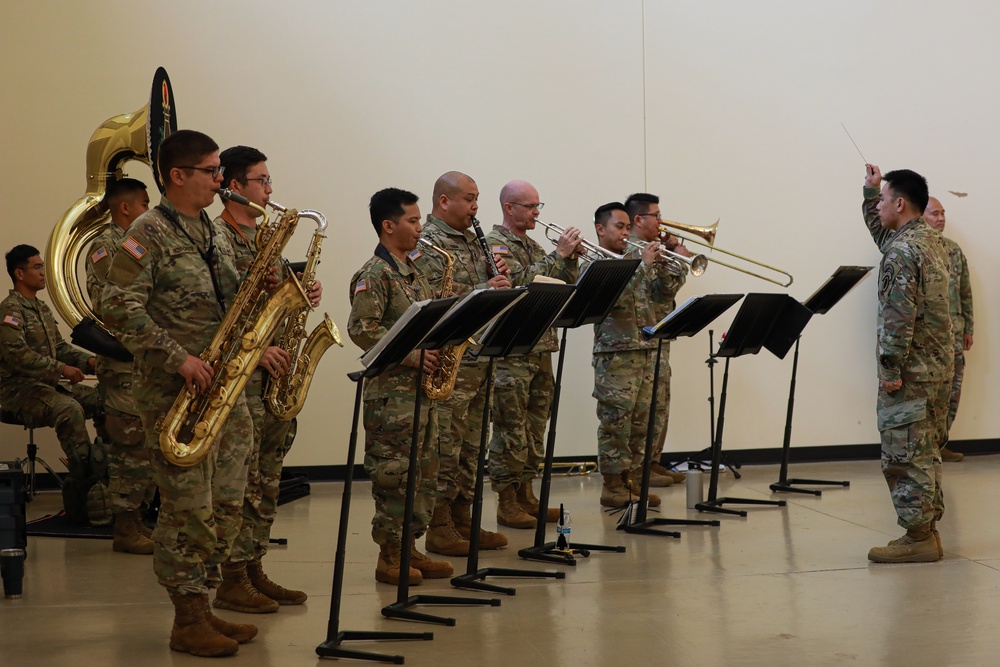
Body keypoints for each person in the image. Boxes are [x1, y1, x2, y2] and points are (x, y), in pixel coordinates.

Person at [102, 129, 258, 657]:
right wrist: (178, 357)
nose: (222, 179)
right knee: (188, 509)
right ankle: (187, 618)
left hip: (223, 389)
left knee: (227, 502)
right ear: (178, 176)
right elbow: (118, 304)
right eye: (213, 171)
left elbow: (229, 299)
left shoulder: (209, 232)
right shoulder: (148, 232)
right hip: (176, 392)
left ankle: (208, 606)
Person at [211, 145, 308, 612]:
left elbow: (267, 300)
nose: (270, 190)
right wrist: (259, 347)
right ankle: (230, 577)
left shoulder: (264, 237)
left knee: (266, 479)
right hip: (239, 374)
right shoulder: (217, 239)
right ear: (233, 186)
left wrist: (296, 290)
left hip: (269, 374)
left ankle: (252, 567)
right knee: (239, 480)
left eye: (269, 180)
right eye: (261, 181)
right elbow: (220, 315)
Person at [347, 187, 453, 585]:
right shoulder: (374, 274)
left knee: (424, 475)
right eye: (413, 220)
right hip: (392, 398)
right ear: (388, 226)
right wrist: (412, 356)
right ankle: (389, 557)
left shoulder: (411, 272)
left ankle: (411, 547)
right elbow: (362, 329)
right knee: (395, 476)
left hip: (420, 394)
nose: (419, 227)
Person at [413, 171, 512, 555]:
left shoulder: (473, 239)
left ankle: (462, 519)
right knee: (445, 447)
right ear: (444, 201)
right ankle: (439, 526)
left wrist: (498, 280)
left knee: (472, 447)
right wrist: (482, 291)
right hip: (450, 361)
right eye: (469, 199)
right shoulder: (428, 242)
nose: (475, 207)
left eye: (477, 198)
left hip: (478, 358)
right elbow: (434, 297)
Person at [861, 165, 953, 564]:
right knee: (926, 451)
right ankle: (926, 530)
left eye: (883, 200)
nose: (879, 206)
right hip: (937, 370)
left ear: (899, 203)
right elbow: (884, 232)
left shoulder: (902, 251)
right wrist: (868, 192)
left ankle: (918, 537)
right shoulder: (930, 241)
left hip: (911, 372)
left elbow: (898, 318)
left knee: (904, 453)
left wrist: (890, 370)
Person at [485, 180, 581, 529]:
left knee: (535, 425)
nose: (538, 213)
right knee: (511, 429)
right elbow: (522, 285)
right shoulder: (496, 244)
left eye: (539, 206)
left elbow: (559, 286)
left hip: (540, 346)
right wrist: (559, 255)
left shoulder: (531, 243)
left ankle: (526, 493)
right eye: (530, 207)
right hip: (512, 351)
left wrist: (569, 260)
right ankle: (507, 501)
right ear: (509, 208)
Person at [0, 244, 104, 526]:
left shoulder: (41, 308)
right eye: (36, 267)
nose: (43, 272)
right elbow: (17, 355)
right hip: (18, 392)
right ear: (19, 273)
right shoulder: (10, 311)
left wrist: (92, 362)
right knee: (69, 409)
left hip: (48, 388)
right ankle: (79, 501)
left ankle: (104, 479)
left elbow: (60, 348)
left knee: (105, 402)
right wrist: (60, 369)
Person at [86, 177, 157, 553]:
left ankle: (140, 519)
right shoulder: (105, 247)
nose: (149, 209)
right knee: (129, 444)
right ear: (125, 208)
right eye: (144, 203)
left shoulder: (142, 245)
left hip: (147, 359)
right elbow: (109, 304)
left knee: (148, 443)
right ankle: (125, 527)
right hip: (123, 362)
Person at [591, 202, 678, 508]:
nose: (626, 232)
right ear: (600, 229)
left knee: (641, 421)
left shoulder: (636, 258)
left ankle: (631, 480)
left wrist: (671, 259)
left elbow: (664, 293)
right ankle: (612, 485)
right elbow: (613, 298)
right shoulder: (595, 259)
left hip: (645, 349)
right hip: (615, 355)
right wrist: (644, 265)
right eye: (619, 227)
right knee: (616, 421)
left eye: (628, 227)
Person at [624, 193, 690, 487]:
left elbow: (666, 292)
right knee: (639, 409)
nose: (662, 222)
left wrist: (680, 261)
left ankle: (652, 461)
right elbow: (638, 291)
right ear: (639, 219)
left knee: (659, 404)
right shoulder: (627, 251)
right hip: (636, 339)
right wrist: (651, 262)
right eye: (657, 216)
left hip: (660, 334)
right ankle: (636, 469)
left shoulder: (658, 249)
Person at [923, 196, 974, 463]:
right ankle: (924, 448)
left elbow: (965, 291)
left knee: (952, 390)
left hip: (955, 332)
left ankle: (941, 444)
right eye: (935, 213)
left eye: (943, 213)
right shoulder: (916, 250)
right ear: (921, 216)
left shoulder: (954, 250)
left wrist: (969, 327)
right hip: (929, 337)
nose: (941, 218)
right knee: (929, 392)